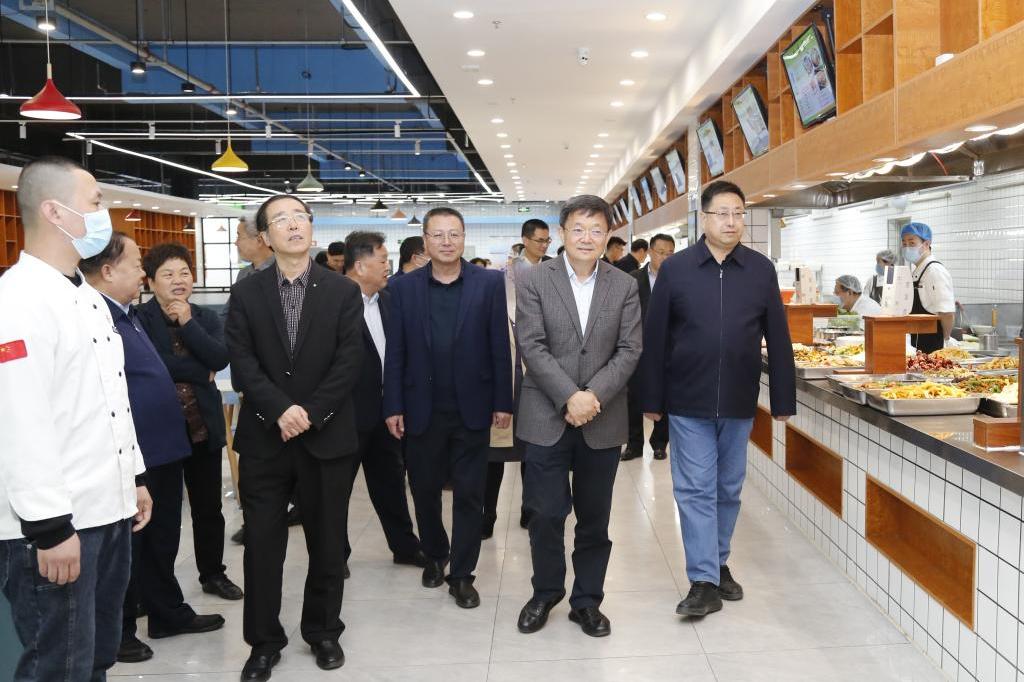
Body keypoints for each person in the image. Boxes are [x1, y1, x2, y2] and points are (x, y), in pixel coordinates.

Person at [0, 156, 152, 681]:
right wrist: (48, 527)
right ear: (54, 212)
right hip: (57, 525)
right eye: (95, 202)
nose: (103, 213)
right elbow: (19, 419)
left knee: (95, 657)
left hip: (108, 509)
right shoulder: (18, 301)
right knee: (58, 666)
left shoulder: (86, 297)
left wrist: (133, 478)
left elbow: (109, 397)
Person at [639, 180, 796, 618]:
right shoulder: (677, 269)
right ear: (704, 218)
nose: (731, 221)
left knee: (728, 488)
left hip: (739, 399)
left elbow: (778, 337)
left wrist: (783, 399)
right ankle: (704, 580)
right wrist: (651, 398)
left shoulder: (760, 270)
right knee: (694, 489)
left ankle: (717, 561)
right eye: (722, 213)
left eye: (738, 213)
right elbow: (655, 337)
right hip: (687, 398)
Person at [226, 194, 363, 679]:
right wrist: (281, 410)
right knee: (262, 546)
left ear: (311, 226)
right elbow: (242, 361)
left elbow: (350, 360)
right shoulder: (246, 293)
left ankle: (323, 631)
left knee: (327, 542)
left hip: (326, 436)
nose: (293, 225)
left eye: (300, 216)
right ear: (265, 236)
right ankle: (263, 642)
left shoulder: (342, 291)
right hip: (266, 438)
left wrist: (311, 412)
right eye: (281, 219)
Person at [81, 232, 224, 663]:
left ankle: (166, 613)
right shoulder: (95, 316)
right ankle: (120, 630)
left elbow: (209, 358)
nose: (141, 273)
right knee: (132, 544)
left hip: (164, 447)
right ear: (109, 271)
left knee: (162, 537)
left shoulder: (127, 315)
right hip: (135, 451)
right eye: (137, 265)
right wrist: (197, 371)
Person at [513, 195, 641, 638]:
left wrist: (592, 396)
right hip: (545, 416)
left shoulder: (623, 285)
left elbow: (630, 349)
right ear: (562, 233)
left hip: (602, 418)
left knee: (595, 519)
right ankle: (546, 591)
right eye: (579, 229)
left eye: (596, 230)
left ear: (608, 235)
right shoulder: (534, 279)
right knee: (545, 513)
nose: (587, 238)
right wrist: (570, 396)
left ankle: (587, 601)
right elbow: (531, 344)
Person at [383, 207, 513, 610]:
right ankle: (436, 554)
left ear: (464, 238)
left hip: (472, 407)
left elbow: (499, 344)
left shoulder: (489, 283)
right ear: (425, 241)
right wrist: (393, 405)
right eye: (437, 235)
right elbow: (396, 351)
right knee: (424, 490)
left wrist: (503, 401)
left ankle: (463, 574)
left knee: (471, 494)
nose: (446, 241)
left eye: (453, 234)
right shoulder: (403, 288)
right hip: (420, 408)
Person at [136, 243, 243, 604]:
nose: (178, 280)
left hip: (202, 427)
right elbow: (155, 366)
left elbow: (219, 356)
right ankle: (157, 588)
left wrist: (187, 323)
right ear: (151, 282)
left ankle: (213, 574)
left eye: (184, 273)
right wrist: (200, 371)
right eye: (168, 274)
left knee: (208, 509)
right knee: (162, 515)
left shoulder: (205, 317)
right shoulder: (139, 320)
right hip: (160, 433)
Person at [343, 231, 426, 571]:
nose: (388, 266)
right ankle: (335, 555)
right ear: (360, 266)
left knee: (390, 484)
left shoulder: (389, 300)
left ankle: (405, 547)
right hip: (345, 415)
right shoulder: (334, 302)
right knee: (336, 491)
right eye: (382, 260)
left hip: (385, 412)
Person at [483, 218, 554, 538]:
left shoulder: (552, 272)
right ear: (525, 240)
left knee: (534, 449)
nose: (544, 246)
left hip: (538, 373)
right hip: (505, 369)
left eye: (547, 241)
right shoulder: (503, 273)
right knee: (495, 450)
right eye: (539, 240)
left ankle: (531, 509)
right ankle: (487, 514)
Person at [622, 233, 675, 462]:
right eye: (661, 252)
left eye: (670, 253)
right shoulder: (632, 279)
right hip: (637, 347)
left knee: (665, 395)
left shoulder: (678, 279)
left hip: (668, 348)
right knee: (633, 396)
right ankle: (634, 444)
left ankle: (660, 443)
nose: (665, 257)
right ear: (650, 252)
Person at [901, 222, 955, 353]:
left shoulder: (935, 270)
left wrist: (946, 339)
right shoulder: (919, 270)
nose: (907, 247)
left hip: (934, 347)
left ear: (926, 244)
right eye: (904, 243)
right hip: (918, 345)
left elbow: (947, 313)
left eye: (912, 243)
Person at [235, 216, 276, 282]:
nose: (236, 243)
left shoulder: (285, 271)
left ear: (259, 240)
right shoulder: (243, 274)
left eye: (239, 236)